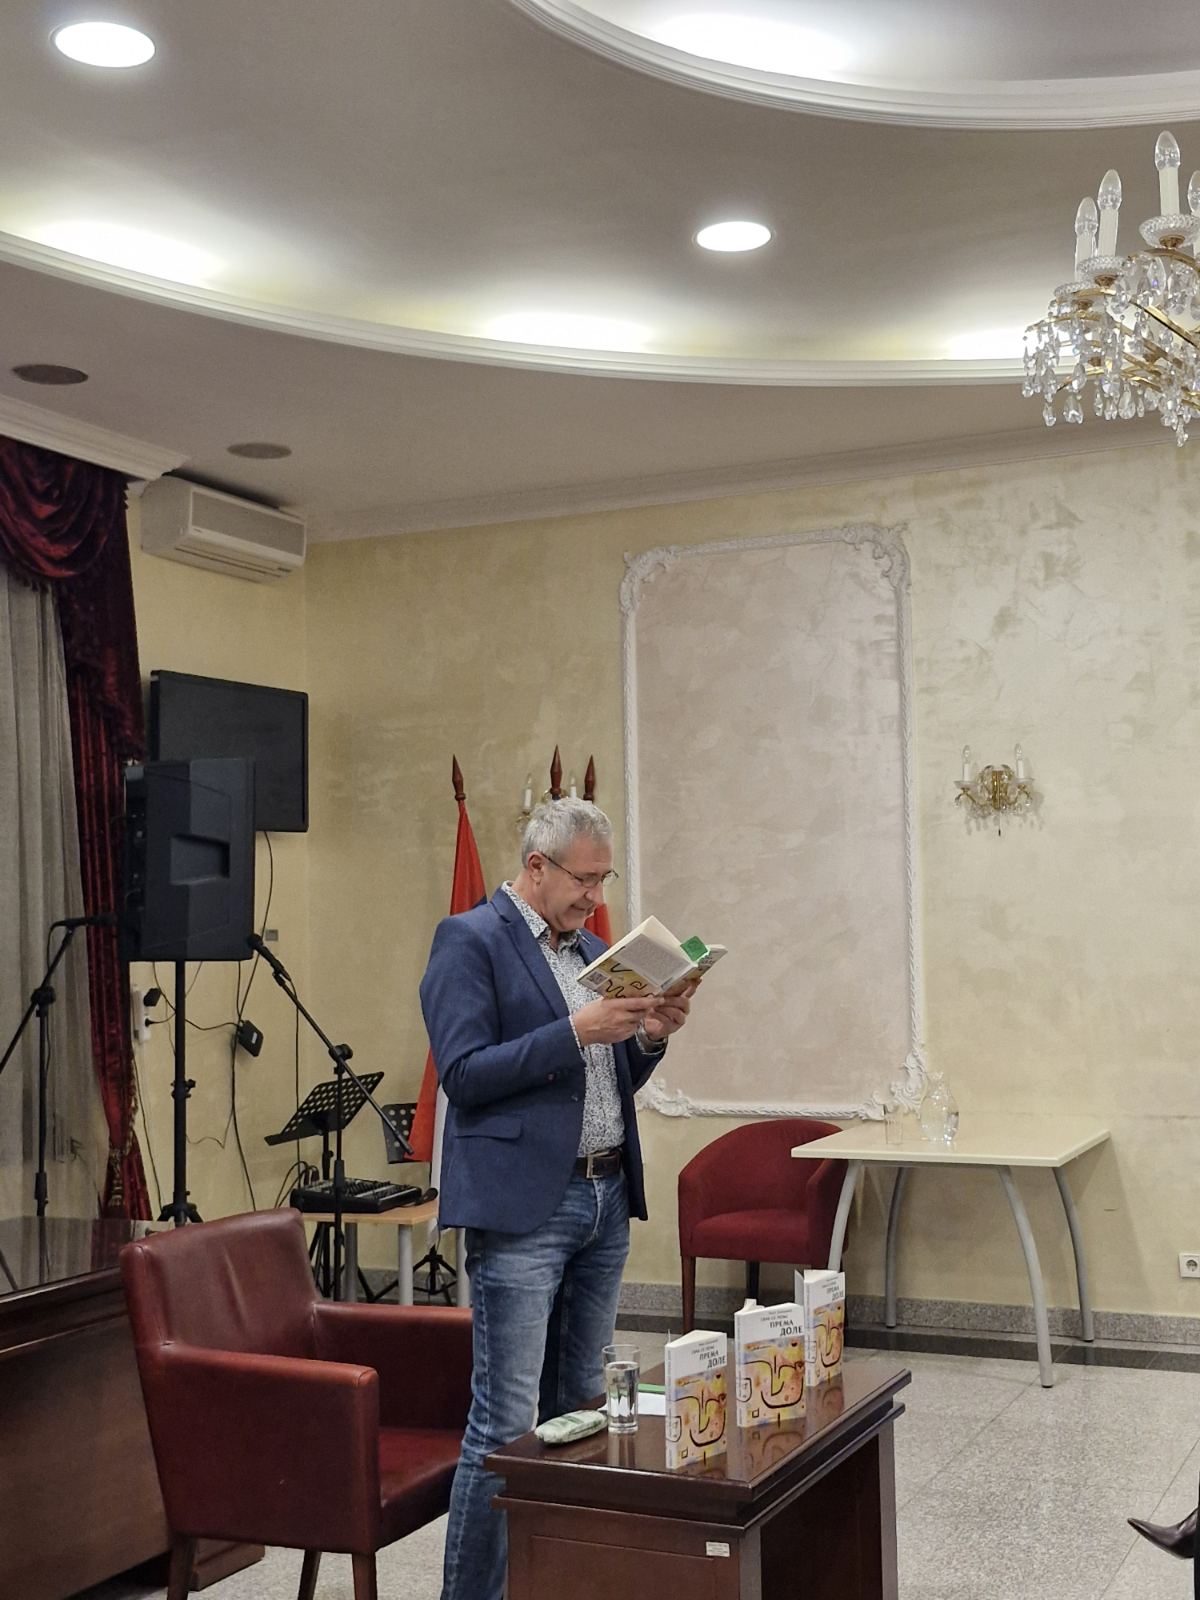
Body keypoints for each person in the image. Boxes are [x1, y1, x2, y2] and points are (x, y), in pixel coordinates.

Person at [419, 798, 695, 1600]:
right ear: (536, 867)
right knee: (506, 1422)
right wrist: (577, 1030)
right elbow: (464, 1074)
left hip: (604, 1197)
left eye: (605, 880)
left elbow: (609, 1078)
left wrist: (650, 1035)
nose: (596, 897)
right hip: (523, 1212)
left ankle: (560, 1582)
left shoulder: (599, 953)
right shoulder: (469, 940)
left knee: (581, 1408)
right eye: (584, 880)